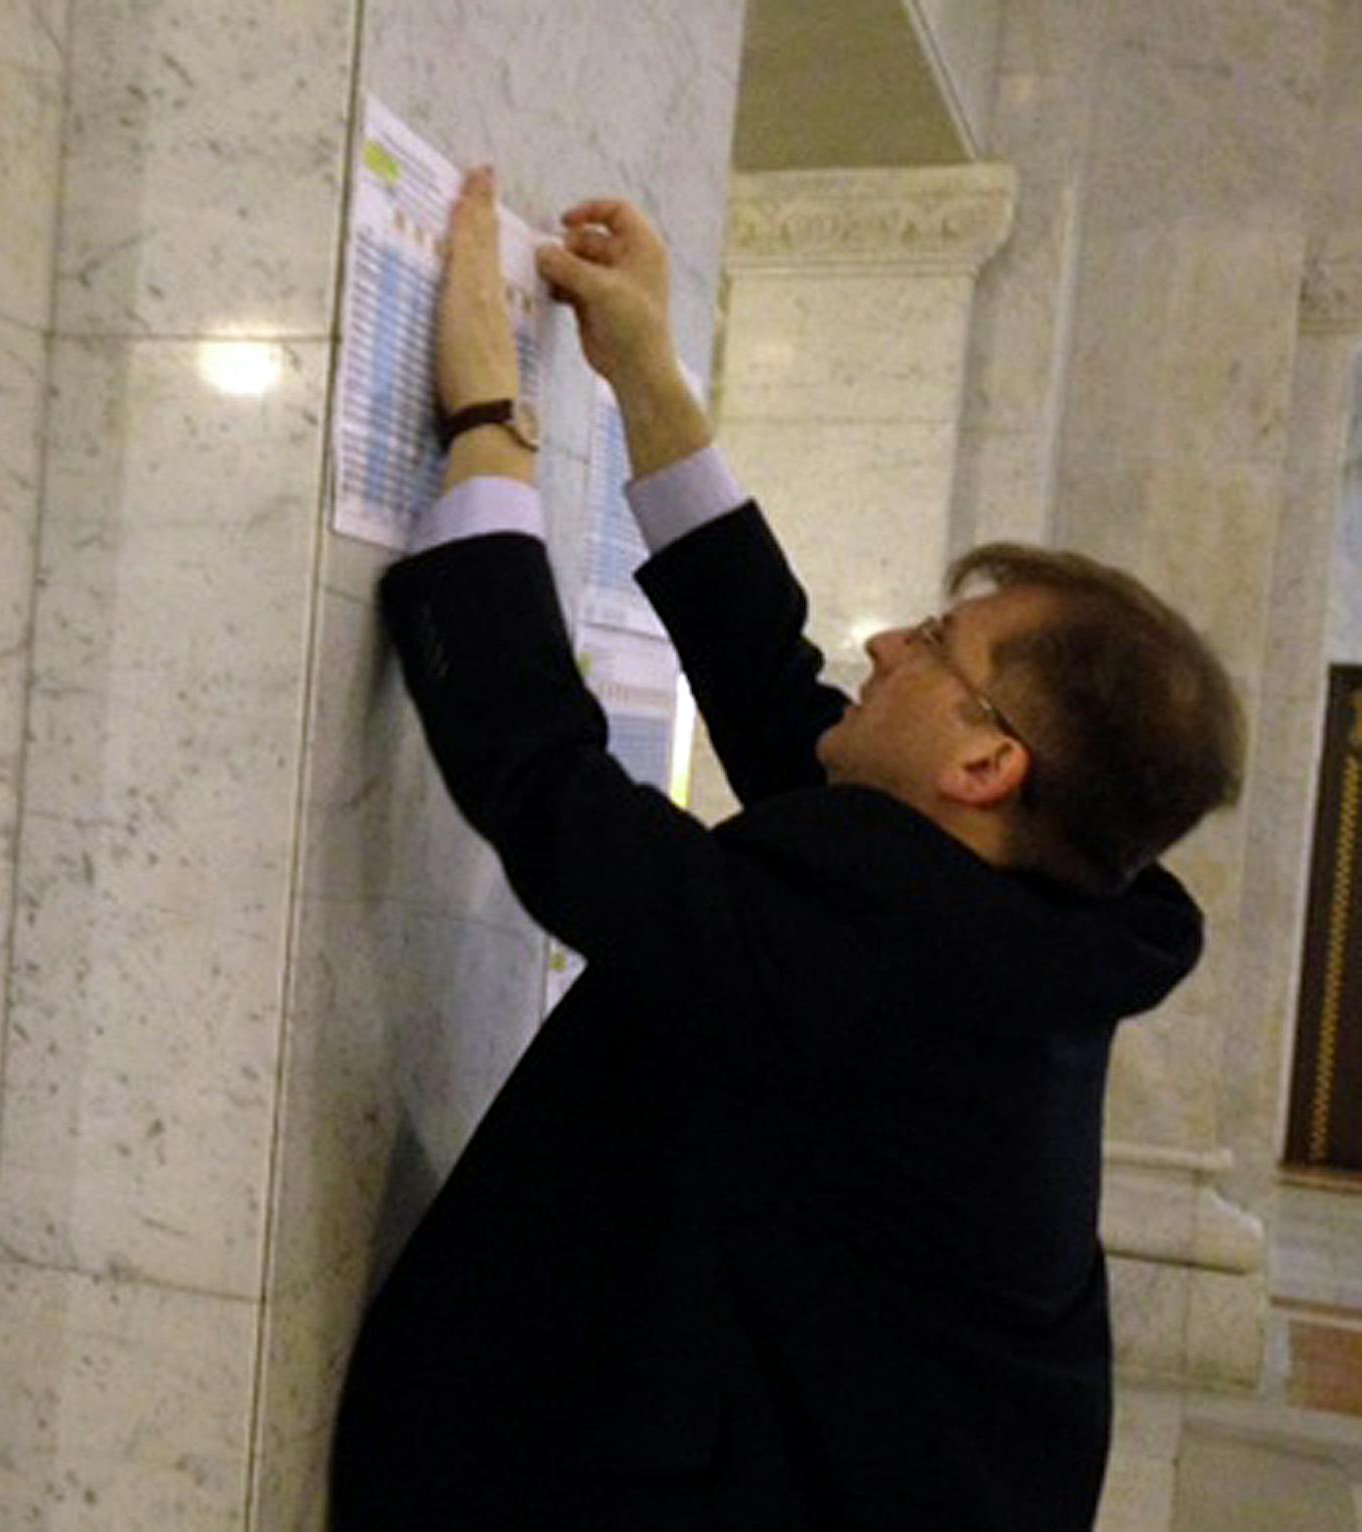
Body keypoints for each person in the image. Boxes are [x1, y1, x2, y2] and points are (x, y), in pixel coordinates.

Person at [328, 167, 1244, 1530]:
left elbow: (550, 792)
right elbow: (779, 696)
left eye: (937, 646)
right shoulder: (1028, 905)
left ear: (987, 765)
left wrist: (486, 427)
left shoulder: (903, 976)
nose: (886, 643)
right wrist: (646, 372)